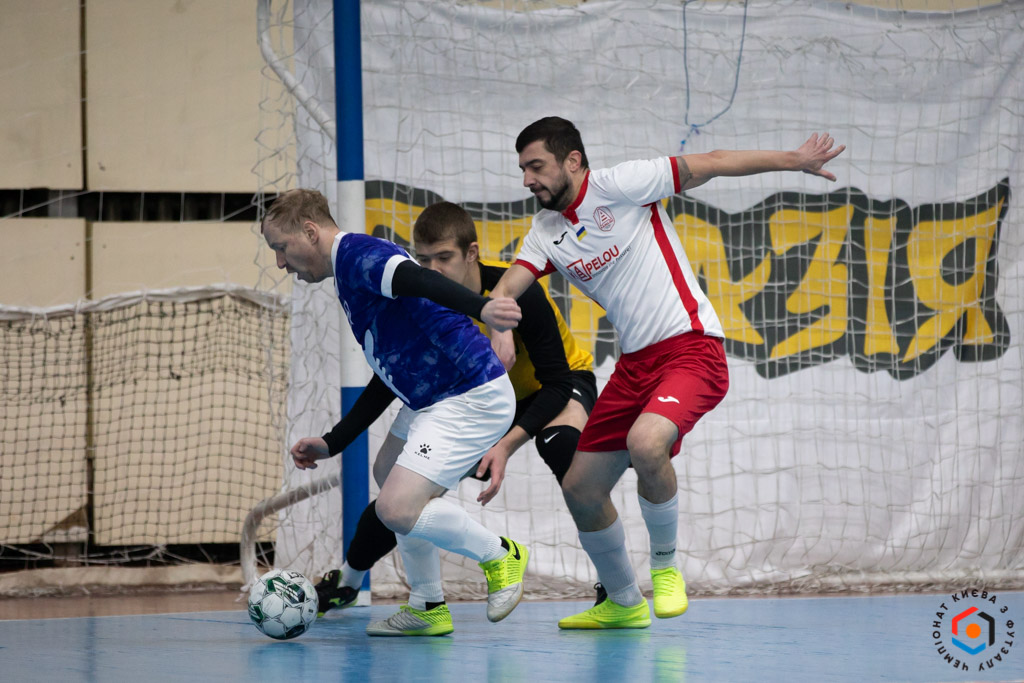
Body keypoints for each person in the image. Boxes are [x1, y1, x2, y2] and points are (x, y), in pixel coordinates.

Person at [482, 117, 846, 629]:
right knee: (580, 488)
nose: (527, 179)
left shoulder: (622, 185)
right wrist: (498, 324)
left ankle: (666, 567)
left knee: (646, 442)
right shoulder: (545, 232)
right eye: (522, 169)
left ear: (573, 160)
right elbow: (506, 288)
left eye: (536, 166)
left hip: (692, 349)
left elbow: (713, 163)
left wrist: (794, 160)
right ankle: (623, 602)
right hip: (634, 365)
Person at [314, 200, 603, 617]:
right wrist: (335, 440)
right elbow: (394, 375)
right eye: (424, 260)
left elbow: (557, 381)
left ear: (471, 254)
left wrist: (505, 446)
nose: (433, 270)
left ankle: (614, 586)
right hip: (472, 399)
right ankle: (357, 581)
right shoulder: (426, 300)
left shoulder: (513, 291)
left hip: (554, 386)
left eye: (444, 258)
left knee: (560, 448)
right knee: (402, 487)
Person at [261, 188, 529, 637]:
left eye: (281, 247)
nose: (280, 262)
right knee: (387, 473)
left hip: (469, 392)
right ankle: (427, 605)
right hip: (433, 396)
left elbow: (417, 279)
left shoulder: (357, 254)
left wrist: (482, 308)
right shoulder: (347, 273)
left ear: (309, 231)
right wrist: (334, 441)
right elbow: (388, 373)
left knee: (397, 508)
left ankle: (501, 554)